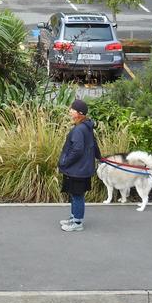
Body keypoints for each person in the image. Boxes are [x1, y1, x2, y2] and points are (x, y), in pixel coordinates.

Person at [57, 98, 100, 232]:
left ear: (79, 113)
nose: (70, 111)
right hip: (82, 168)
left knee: (77, 195)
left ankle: (77, 222)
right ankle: (74, 217)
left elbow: (77, 150)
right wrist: (100, 157)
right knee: (75, 194)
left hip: (78, 169)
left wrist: (64, 162)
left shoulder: (79, 129)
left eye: (72, 110)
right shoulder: (87, 126)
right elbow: (94, 144)